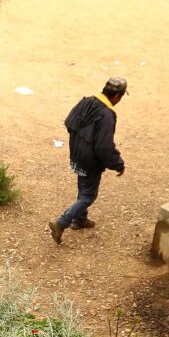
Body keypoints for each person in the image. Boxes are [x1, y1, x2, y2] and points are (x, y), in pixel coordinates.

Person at [50, 77, 127, 244]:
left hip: (77, 154)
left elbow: (69, 122)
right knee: (88, 196)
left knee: (83, 186)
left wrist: (81, 140)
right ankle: (62, 222)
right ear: (117, 96)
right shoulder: (106, 114)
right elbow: (104, 146)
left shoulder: (87, 101)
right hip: (90, 161)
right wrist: (117, 163)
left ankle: (80, 220)